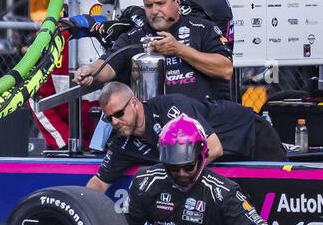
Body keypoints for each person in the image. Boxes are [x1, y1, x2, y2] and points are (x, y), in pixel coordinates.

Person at [126, 115, 282, 225]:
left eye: (189, 167)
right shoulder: (145, 181)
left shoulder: (222, 191)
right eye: (174, 167)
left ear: (201, 157)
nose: (181, 174)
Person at [88, 81, 287, 191]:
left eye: (119, 114)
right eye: (109, 118)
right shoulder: (122, 142)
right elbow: (99, 182)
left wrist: (174, 178)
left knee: (280, 196)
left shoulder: (170, 108)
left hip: (250, 134)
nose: (115, 122)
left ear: (134, 103)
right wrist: (79, 204)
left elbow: (214, 148)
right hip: (221, 160)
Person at [72, 0, 233, 100]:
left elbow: (225, 69)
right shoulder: (135, 36)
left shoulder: (203, 28)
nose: (155, 10)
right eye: (149, 5)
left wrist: (180, 50)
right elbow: (107, 66)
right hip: (154, 125)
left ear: (177, 2)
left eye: (160, 3)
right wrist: (90, 70)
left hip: (201, 121)